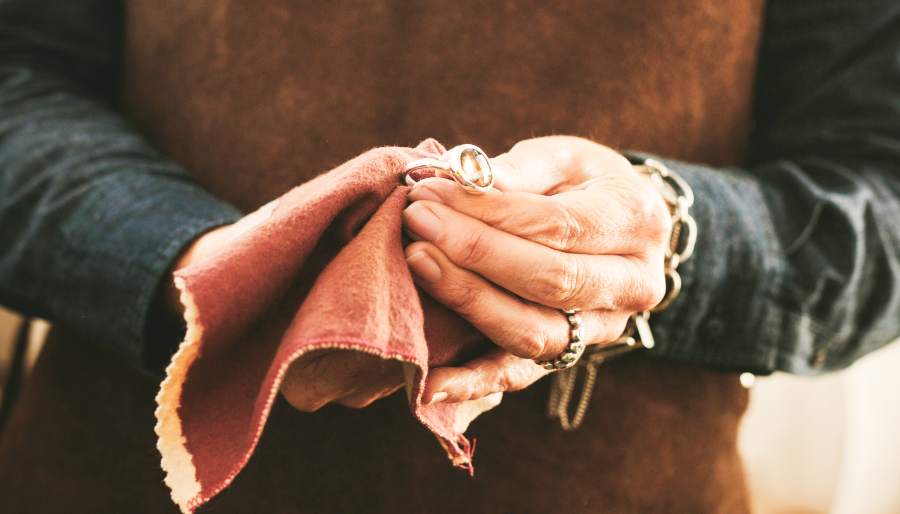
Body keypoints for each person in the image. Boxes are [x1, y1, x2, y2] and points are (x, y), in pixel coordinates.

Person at [0, 0, 898, 512]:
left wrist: (674, 236)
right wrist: (202, 267)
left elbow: (879, 192)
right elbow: (19, 79)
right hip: (111, 476)